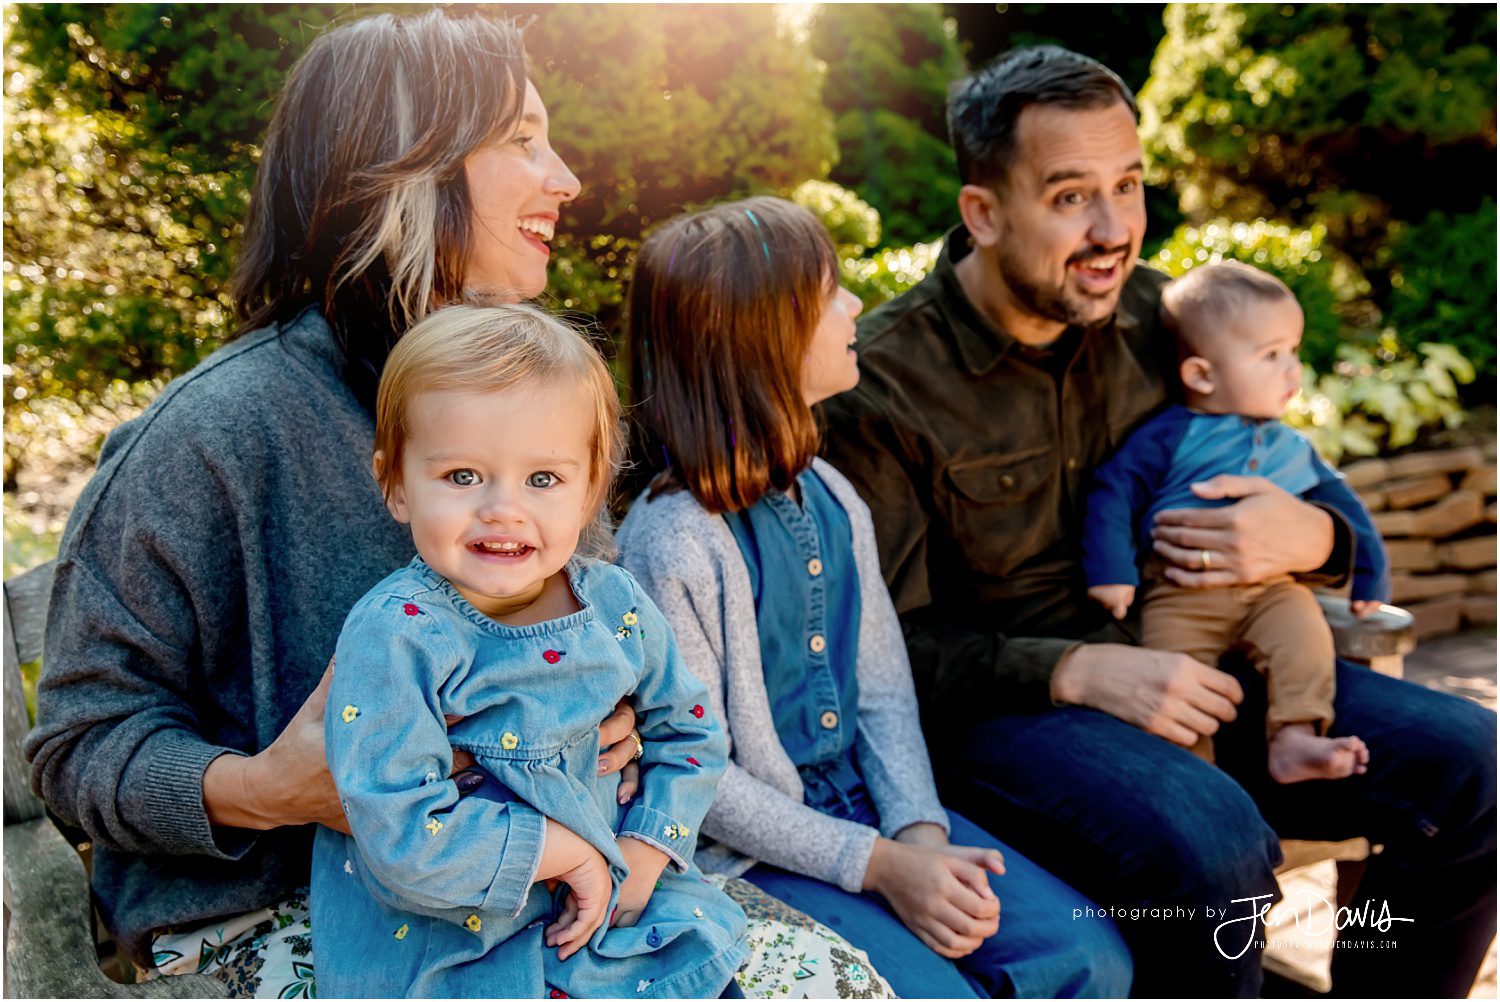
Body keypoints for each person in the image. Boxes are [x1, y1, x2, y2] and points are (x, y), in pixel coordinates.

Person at [24, 12, 835, 998]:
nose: (567, 176)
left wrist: (605, 708)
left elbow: (593, 618)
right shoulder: (214, 434)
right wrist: (266, 790)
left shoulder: (532, 405)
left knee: (839, 982)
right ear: (407, 166)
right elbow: (77, 750)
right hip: (269, 918)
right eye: (524, 140)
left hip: (547, 891)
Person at [820, 45, 1496, 998]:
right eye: (1069, 197)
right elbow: (872, 649)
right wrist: (1072, 668)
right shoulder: (882, 384)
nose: (1113, 230)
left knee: (1474, 764)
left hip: (1205, 658)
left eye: (1128, 186)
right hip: (1006, 719)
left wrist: (1319, 540)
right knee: (1211, 847)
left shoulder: (1158, 316)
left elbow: (1269, 460)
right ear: (982, 213)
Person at [616, 196, 1133, 999]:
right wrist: (882, 868)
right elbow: (701, 778)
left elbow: (886, 694)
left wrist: (919, 835)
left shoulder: (833, 496)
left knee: (1086, 960)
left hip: (874, 818)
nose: (856, 306)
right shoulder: (672, 539)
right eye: (830, 294)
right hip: (757, 856)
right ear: (761, 335)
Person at [310, 303, 746, 997]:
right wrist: (563, 852)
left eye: (542, 480)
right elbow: (397, 831)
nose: (502, 509)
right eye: (462, 476)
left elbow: (689, 730)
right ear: (395, 483)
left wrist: (646, 845)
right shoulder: (398, 635)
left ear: (589, 491)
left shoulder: (615, 604)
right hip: (452, 942)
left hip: (610, 904)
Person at [1083, 261, 1387, 782]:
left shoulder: (1292, 446)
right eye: (1271, 356)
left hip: (1272, 591)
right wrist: (1112, 572)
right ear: (1200, 374)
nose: (1292, 370)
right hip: (1179, 594)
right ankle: (1193, 773)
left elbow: (1348, 511)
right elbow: (1113, 491)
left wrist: (1370, 576)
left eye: (1293, 351)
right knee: (1176, 681)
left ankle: (1296, 736)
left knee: (1304, 638)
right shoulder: (1171, 435)